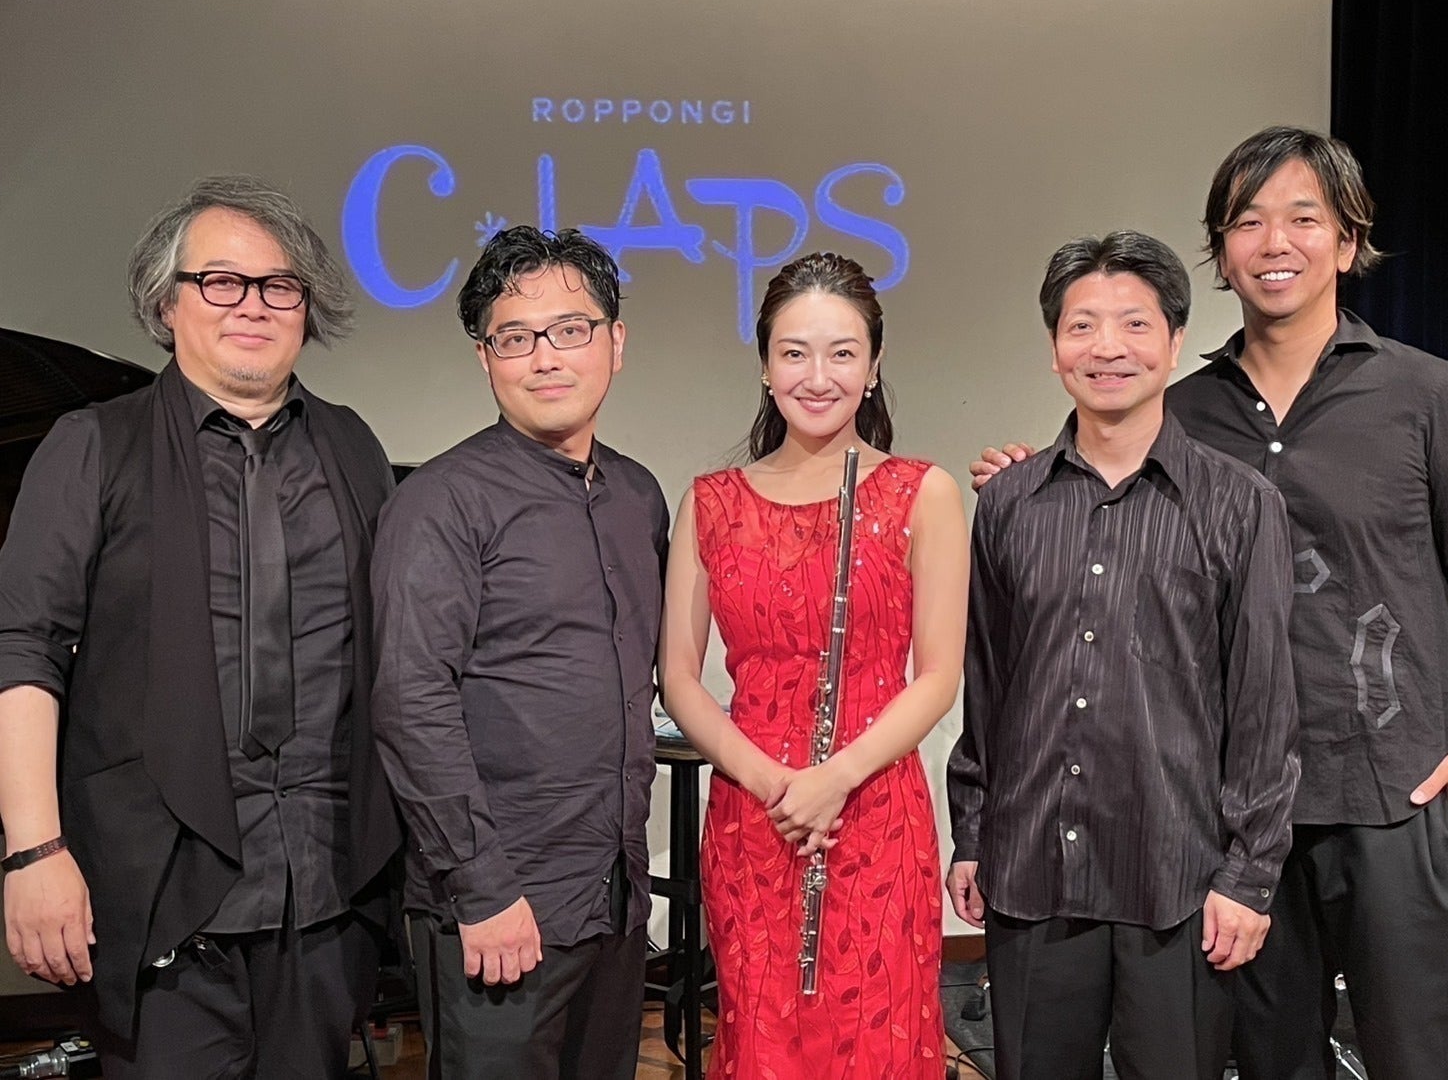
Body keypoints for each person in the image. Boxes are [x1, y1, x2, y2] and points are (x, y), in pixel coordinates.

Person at [972, 128, 1448, 1079]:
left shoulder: (1426, 393)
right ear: (1219, 250)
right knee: (1267, 1062)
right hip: (1230, 820)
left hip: (1392, 791)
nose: (1274, 243)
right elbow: (1095, 512)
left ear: (1346, 239)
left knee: (1422, 1058)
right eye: (1247, 222)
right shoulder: (1182, 406)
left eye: (1302, 219)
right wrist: (1022, 477)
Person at [0, 175, 401, 1076]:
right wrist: (33, 851)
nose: (252, 305)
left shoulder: (353, 446)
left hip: (325, 894)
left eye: (279, 285)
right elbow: (23, 650)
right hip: (158, 890)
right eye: (221, 281)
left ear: (306, 308)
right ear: (166, 301)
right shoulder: (92, 445)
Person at [948, 231, 1299, 1080]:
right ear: (1054, 348)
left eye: (1134, 324)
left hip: (1178, 879)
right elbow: (987, 685)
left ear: (1174, 343)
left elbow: (1262, 705)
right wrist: (972, 833)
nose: (1107, 347)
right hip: (1031, 869)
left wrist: (1248, 875)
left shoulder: (1238, 503)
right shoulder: (1009, 504)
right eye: (1082, 326)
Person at [659, 252, 968, 1077]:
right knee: (764, 1039)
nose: (817, 376)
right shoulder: (710, 501)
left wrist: (836, 777)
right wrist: (771, 782)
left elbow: (938, 675)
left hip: (872, 808)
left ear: (873, 366)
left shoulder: (923, 493)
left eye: (842, 353)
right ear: (765, 367)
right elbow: (679, 676)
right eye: (794, 352)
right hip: (753, 811)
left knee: (875, 1037)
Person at [370, 226, 668, 1079]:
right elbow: (410, 702)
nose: (545, 357)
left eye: (570, 329)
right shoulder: (441, 501)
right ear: (485, 358)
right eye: (515, 337)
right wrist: (482, 888)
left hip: (611, 895)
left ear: (614, 342)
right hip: (501, 904)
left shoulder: (638, 495)